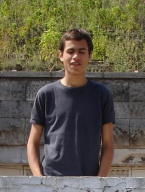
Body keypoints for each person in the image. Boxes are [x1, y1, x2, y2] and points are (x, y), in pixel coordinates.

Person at [27, 29, 115, 177]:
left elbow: (108, 144)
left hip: (89, 183)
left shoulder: (101, 95)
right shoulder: (46, 94)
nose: (76, 57)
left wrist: (99, 182)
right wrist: (39, 180)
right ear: (61, 55)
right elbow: (32, 142)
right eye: (70, 51)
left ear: (89, 55)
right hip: (50, 181)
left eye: (82, 51)